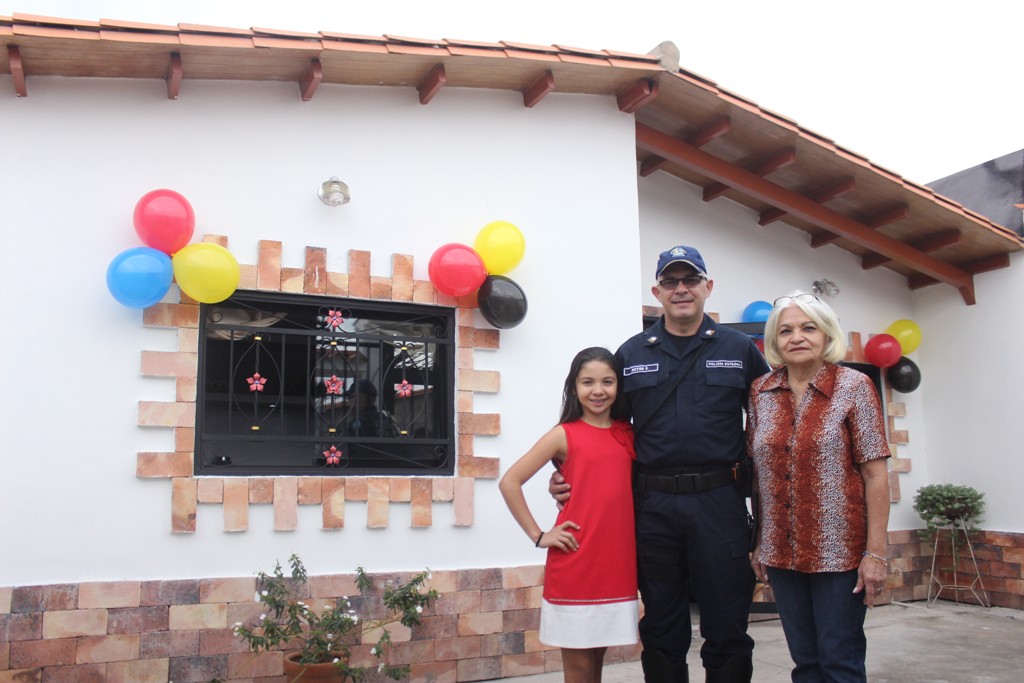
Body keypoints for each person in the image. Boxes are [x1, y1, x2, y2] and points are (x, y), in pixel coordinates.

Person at [552, 246, 770, 683]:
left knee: (727, 627)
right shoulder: (631, 354)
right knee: (661, 630)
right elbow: (605, 430)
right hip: (653, 509)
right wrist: (568, 475)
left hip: (720, 504)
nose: (681, 289)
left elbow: (769, 423)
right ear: (657, 291)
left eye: (690, 280)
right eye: (670, 282)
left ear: (708, 287)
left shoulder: (740, 349)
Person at [747, 292, 890, 683]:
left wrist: (875, 554)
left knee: (839, 663)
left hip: (839, 554)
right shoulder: (761, 392)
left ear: (826, 334)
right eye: (786, 330)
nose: (797, 337)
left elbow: (876, 475)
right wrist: (761, 539)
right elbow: (761, 475)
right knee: (805, 664)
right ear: (775, 341)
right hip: (782, 552)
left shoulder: (854, 386)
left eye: (808, 327)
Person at [499, 347, 639, 683]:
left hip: (616, 563)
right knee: (578, 669)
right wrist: (539, 535)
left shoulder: (628, 433)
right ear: (574, 387)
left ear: (618, 386)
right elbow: (510, 482)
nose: (598, 390)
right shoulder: (564, 434)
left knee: (597, 662)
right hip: (576, 560)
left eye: (608, 381)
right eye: (587, 382)